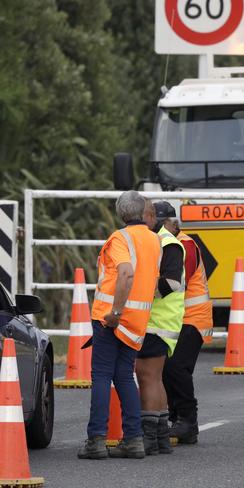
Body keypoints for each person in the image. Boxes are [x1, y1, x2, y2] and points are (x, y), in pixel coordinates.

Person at [78, 191, 161, 460]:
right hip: (137, 320)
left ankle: (96, 441)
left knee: (101, 376)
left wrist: (114, 312)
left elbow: (125, 273)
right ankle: (134, 440)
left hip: (112, 318)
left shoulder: (120, 238)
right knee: (125, 376)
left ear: (120, 212)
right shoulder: (153, 239)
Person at [132, 201, 185, 456]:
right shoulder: (159, 241)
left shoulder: (168, 243)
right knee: (154, 378)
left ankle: (150, 437)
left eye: (144, 217)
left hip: (158, 322)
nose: (142, 222)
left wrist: (139, 290)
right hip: (158, 321)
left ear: (156, 219)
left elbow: (172, 283)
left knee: (146, 376)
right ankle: (161, 437)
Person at [160, 203, 214, 444]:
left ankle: (187, 421)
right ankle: (175, 419)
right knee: (165, 368)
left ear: (172, 223)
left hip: (192, 317)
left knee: (175, 367)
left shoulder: (185, 245)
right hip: (176, 317)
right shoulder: (168, 243)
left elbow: (178, 279)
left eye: (160, 224)